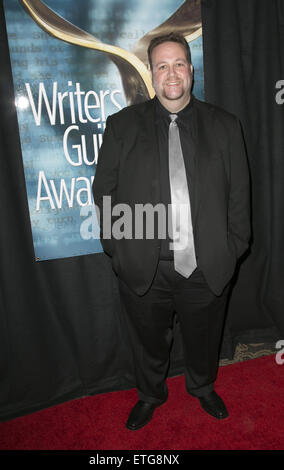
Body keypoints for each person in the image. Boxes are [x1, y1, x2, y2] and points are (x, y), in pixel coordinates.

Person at [92, 33, 250, 431]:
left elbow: (239, 197)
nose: (171, 73)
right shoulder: (122, 126)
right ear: (151, 74)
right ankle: (150, 395)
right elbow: (104, 191)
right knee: (147, 342)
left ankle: (202, 386)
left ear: (191, 70)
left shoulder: (225, 126)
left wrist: (232, 249)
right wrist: (119, 249)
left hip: (206, 262)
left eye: (178, 63)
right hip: (145, 265)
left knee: (204, 336)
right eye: (161, 65)